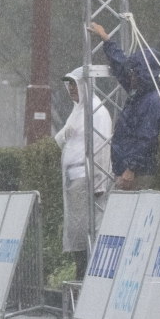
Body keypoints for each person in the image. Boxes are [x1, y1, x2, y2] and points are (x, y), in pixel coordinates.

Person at [87, 22, 160, 190]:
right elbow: (122, 66)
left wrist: (131, 168)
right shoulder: (140, 90)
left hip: (136, 174)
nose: (130, 75)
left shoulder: (153, 101)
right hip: (129, 170)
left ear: (142, 73)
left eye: (133, 72)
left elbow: (146, 139)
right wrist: (106, 39)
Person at [55, 68, 113, 280]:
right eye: (68, 84)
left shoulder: (96, 112)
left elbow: (101, 146)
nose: (71, 89)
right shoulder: (77, 111)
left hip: (85, 178)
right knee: (77, 231)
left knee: (83, 231)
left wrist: (99, 182)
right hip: (74, 178)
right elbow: (62, 139)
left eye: (74, 84)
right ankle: (81, 273)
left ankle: (85, 275)